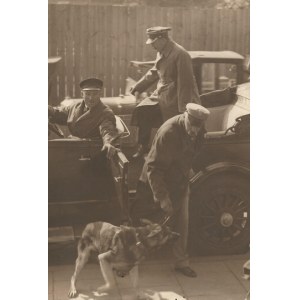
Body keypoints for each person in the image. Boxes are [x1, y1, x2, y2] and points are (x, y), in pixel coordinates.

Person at [133, 103, 210, 277]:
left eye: (198, 129)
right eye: (192, 127)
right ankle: (130, 259)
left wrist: (187, 170)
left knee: (182, 223)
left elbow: (191, 152)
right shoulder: (169, 132)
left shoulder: (199, 130)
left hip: (179, 181)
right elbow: (155, 168)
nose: (194, 132)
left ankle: (181, 262)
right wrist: (162, 198)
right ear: (185, 117)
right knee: (153, 226)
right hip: (155, 182)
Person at [130, 26, 200, 158]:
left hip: (176, 96)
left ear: (162, 39)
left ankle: (171, 155)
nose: (152, 46)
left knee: (173, 129)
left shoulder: (180, 54)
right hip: (161, 93)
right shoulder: (161, 51)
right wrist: (138, 86)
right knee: (143, 110)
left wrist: (183, 109)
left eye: (153, 43)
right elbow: (154, 72)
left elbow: (186, 83)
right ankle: (143, 147)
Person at [48, 78, 119, 159]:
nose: (91, 98)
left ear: (100, 94)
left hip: (90, 153)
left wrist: (108, 142)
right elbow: (59, 113)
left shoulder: (105, 112)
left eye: (95, 94)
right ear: (82, 94)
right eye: (88, 94)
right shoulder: (75, 106)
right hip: (73, 147)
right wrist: (49, 110)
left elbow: (107, 130)